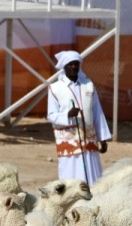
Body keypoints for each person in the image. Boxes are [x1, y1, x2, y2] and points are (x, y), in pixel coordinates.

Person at [47, 51, 110, 184]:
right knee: (70, 177)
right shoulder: (55, 88)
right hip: (69, 141)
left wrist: (102, 138)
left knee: (93, 177)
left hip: (89, 141)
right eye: (70, 64)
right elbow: (51, 115)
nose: (74, 67)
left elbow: (97, 112)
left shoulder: (88, 85)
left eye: (76, 64)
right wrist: (67, 115)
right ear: (64, 67)